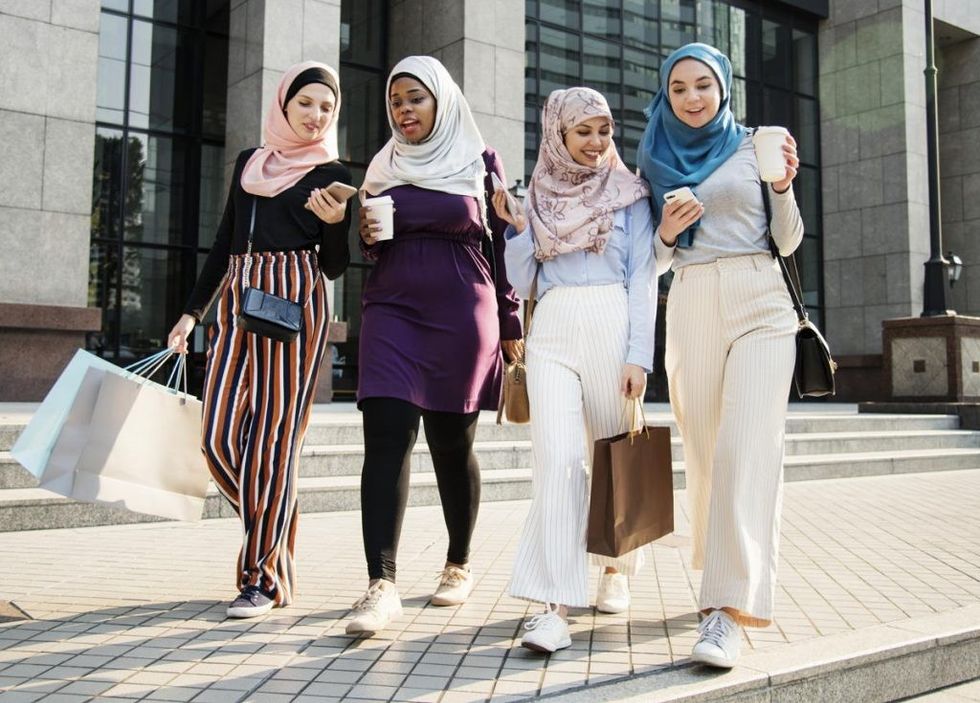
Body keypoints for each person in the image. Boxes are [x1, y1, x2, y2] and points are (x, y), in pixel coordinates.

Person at [637, 42, 804, 668]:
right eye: (679, 88)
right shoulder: (654, 154)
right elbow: (650, 262)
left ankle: (727, 609)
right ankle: (718, 569)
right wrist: (667, 231)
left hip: (762, 297)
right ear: (666, 95)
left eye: (702, 85)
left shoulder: (756, 143)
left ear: (723, 86)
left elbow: (787, 239)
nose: (692, 98)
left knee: (746, 449)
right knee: (705, 451)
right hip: (692, 296)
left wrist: (784, 186)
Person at [344, 55, 523, 635]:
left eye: (415, 98)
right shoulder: (381, 166)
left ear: (442, 101)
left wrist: (513, 324)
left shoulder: (479, 160)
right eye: (396, 101)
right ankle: (381, 584)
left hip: (462, 313)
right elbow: (371, 243)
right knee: (386, 437)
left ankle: (458, 563)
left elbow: (502, 246)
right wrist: (366, 236)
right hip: (391, 309)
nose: (404, 110)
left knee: (450, 443)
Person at [168, 61, 351, 618]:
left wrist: (338, 220)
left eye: (327, 107)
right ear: (284, 105)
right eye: (306, 104)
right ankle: (273, 521)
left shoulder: (331, 172)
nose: (316, 115)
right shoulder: (252, 163)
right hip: (238, 298)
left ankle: (262, 579)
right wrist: (191, 314)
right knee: (217, 436)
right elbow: (225, 242)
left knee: (273, 439)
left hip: (296, 300)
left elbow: (338, 267)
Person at [492, 87, 655, 653]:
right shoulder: (538, 190)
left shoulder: (630, 192)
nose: (595, 142)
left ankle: (616, 568)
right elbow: (522, 283)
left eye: (604, 130)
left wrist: (640, 355)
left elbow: (644, 277)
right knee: (556, 460)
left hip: (613, 319)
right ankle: (552, 603)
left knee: (615, 455)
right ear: (558, 134)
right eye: (582, 131)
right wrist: (514, 230)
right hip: (554, 328)